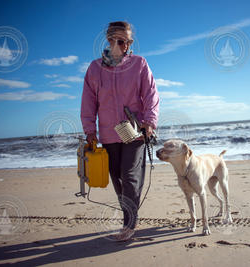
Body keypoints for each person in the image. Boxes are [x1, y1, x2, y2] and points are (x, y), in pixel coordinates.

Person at [80, 21, 159, 241]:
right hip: (108, 133)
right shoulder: (95, 68)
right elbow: (88, 101)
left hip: (133, 131)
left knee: (130, 177)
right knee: (117, 179)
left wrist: (150, 122)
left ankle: (129, 224)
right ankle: (129, 217)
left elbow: (151, 95)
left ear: (129, 43)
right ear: (108, 40)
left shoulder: (139, 64)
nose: (121, 45)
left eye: (125, 41)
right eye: (117, 40)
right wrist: (90, 130)